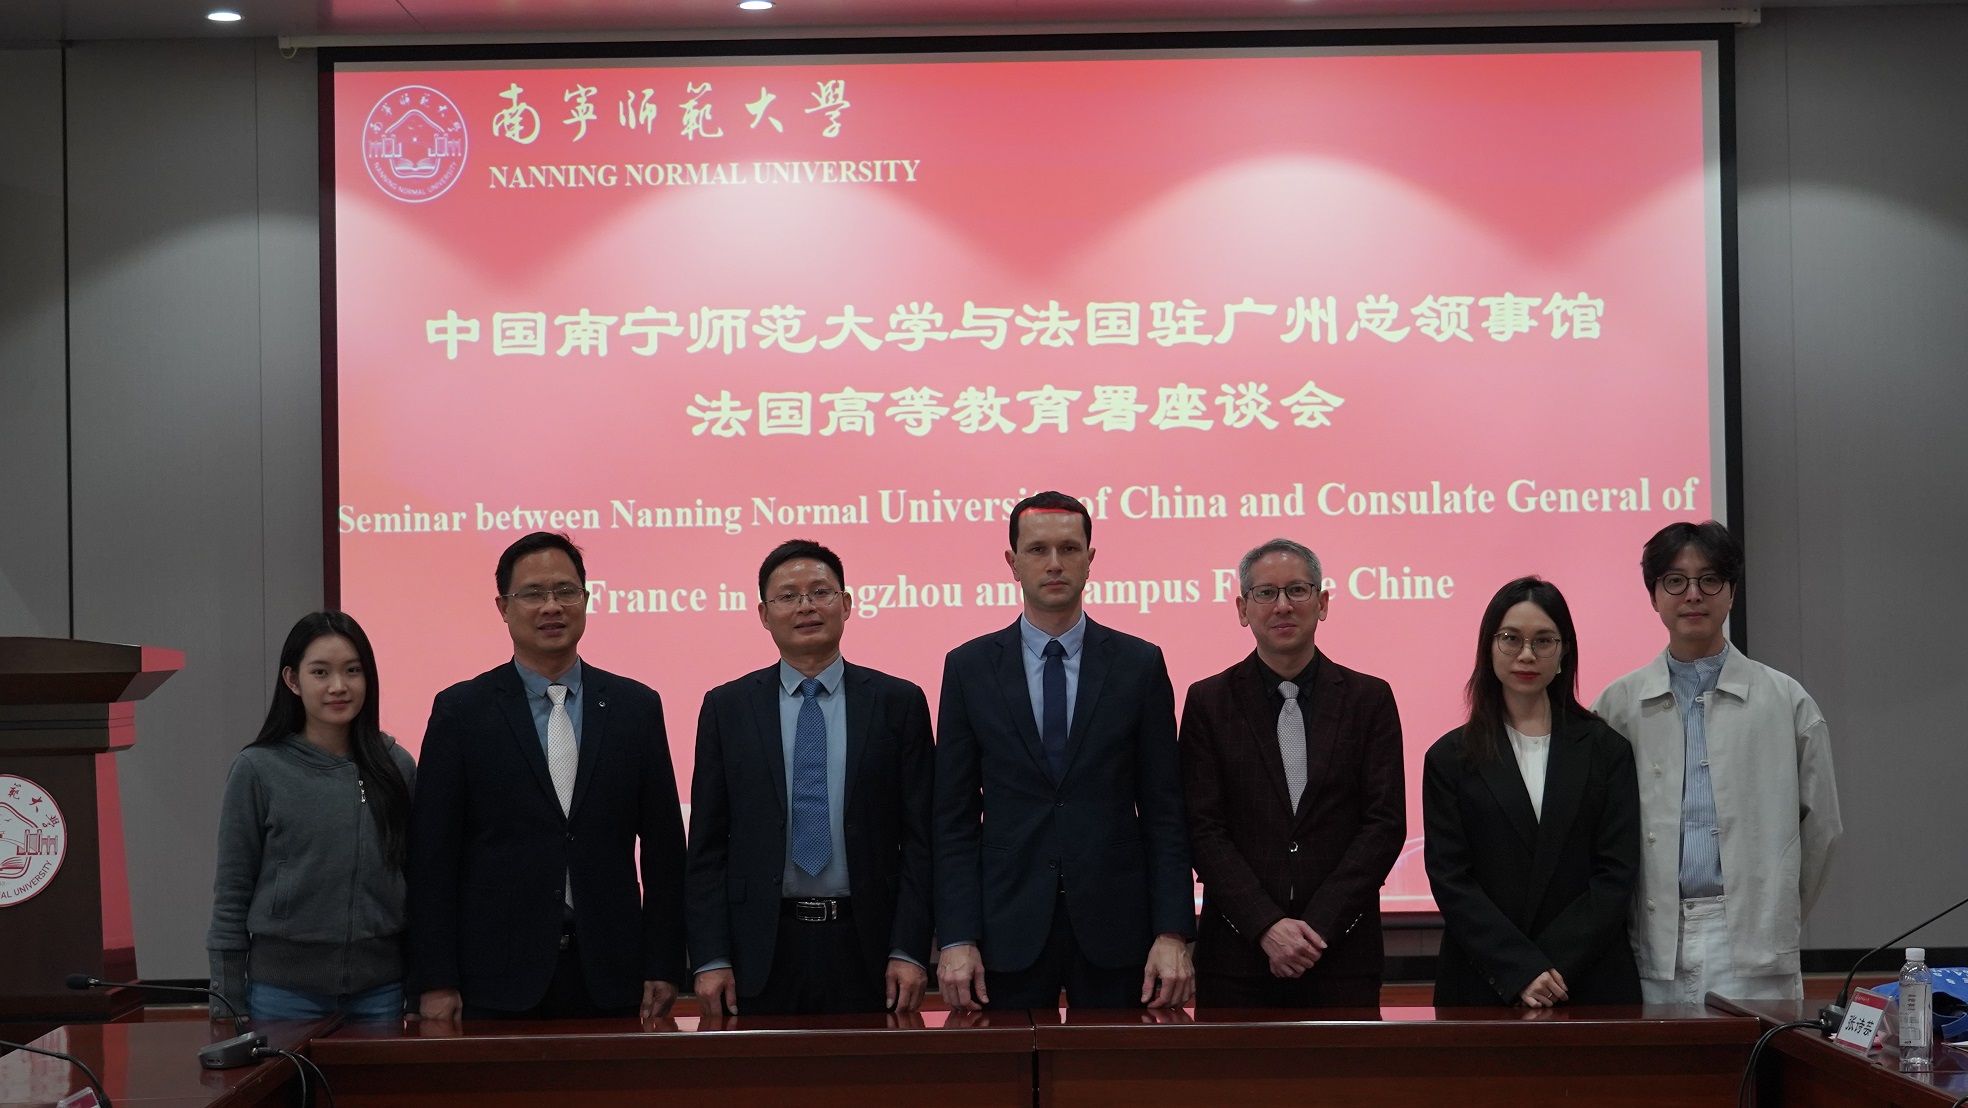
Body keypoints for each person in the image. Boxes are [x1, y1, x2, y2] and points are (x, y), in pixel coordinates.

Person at [407, 531, 687, 1020]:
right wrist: (435, 979)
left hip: (614, 974)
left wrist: (664, 963)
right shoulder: (462, 711)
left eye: (565, 591)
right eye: (533, 593)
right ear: (503, 607)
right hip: (494, 978)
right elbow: (433, 857)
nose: (551, 606)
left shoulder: (635, 707)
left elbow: (664, 849)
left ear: (586, 598)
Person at [933, 490, 1194, 1011]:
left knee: (1116, 1065)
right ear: (1012, 562)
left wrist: (1172, 932)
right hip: (1005, 926)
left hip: (1118, 928)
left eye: (1069, 549)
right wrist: (957, 935)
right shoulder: (969, 668)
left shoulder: (1138, 665)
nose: (1054, 563)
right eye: (1038, 550)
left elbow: (1164, 811)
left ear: (1090, 560)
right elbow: (954, 819)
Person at [1592, 521, 1841, 1004]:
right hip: (1649, 942)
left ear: (1731, 592)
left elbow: (1823, 830)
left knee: (1755, 1057)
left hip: (1752, 944)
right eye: (1675, 581)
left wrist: (1775, 914)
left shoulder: (1785, 700)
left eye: (1709, 580)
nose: (1693, 595)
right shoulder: (1616, 706)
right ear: (1653, 595)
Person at [687, 539, 934, 1015]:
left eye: (820, 592)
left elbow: (921, 840)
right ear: (764, 614)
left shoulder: (897, 703)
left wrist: (908, 948)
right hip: (759, 948)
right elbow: (707, 847)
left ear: (846, 604)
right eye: (788, 596)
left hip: (870, 945)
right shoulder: (727, 708)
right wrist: (711, 956)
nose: (806, 606)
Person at [1180, 538, 1406, 1009]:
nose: (1282, 605)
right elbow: (1203, 829)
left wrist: (1317, 928)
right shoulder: (1209, 702)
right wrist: (1266, 926)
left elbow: (1383, 825)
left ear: (1322, 603)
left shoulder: (1369, 700)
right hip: (1238, 960)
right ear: (1242, 609)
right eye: (1266, 593)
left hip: (1341, 956)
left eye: (1297, 590)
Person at [1422, 577, 1641, 1008]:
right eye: (1510, 639)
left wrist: (1550, 966)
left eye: (1543, 640)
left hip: (1587, 978)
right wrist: (1520, 967)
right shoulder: (1450, 757)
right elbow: (1451, 879)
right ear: (1488, 648)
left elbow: (1616, 872)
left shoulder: (1606, 750)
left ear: (1564, 652)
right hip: (1483, 980)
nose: (1526, 654)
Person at [208, 611, 417, 1023]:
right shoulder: (258, 769)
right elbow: (232, 892)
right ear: (292, 680)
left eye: (352, 671)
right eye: (320, 672)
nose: (339, 686)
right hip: (283, 994)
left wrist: (418, 985)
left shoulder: (397, 766)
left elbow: (416, 881)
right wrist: (227, 997)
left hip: (381, 993)